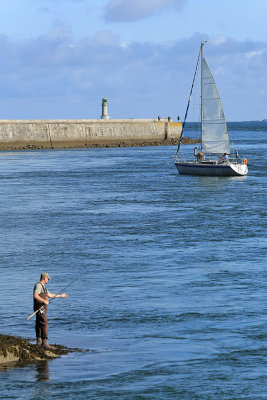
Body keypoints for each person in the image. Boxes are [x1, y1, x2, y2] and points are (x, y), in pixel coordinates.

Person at [33, 272, 69, 349]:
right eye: (48, 278)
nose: (48, 280)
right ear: (44, 278)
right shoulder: (38, 285)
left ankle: (39, 342)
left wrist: (61, 296)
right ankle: (45, 343)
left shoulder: (44, 287)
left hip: (42, 308)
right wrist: (44, 301)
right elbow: (35, 296)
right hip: (39, 308)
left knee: (39, 323)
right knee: (45, 323)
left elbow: (50, 295)